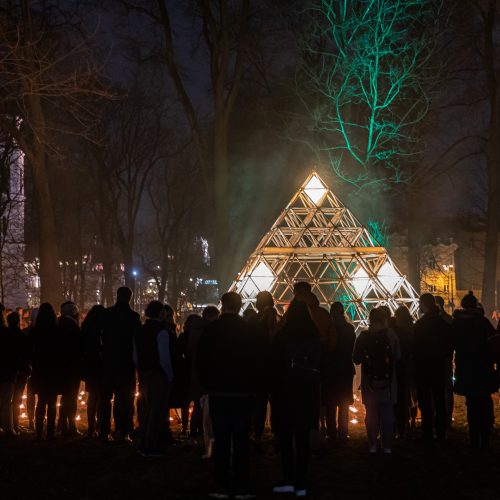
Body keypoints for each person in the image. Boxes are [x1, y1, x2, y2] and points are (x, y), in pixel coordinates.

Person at [197, 292, 262, 499]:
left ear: (223, 306)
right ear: (240, 305)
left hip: (219, 393)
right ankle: (243, 485)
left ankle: (221, 485)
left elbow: (201, 361)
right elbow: (257, 361)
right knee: (242, 440)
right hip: (243, 394)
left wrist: (208, 386)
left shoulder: (211, 330)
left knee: (222, 440)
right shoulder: (250, 331)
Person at [271, 300, 321, 497]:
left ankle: (289, 480)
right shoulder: (314, 336)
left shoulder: (282, 337)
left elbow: (273, 366)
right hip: (307, 394)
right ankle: (301, 482)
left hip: (285, 394)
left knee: (285, 440)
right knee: (302, 440)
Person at [353, 307, 401, 454]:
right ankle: (387, 446)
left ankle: (372, 445)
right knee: (387, 413)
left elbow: (356, 359)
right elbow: (398, 356)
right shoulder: (391, 335)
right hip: (388, 382)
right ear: (384, 320)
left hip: (369, 382)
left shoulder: (363, 336)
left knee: (371, 413)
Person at [453, 291, 497, 447]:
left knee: (471, 403)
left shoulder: (457, 323)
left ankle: (474, 437)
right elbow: (493, 343)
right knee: (485, 400)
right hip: (483, 368)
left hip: (466, 369)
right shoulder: (483, 322)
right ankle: (485, 435)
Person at [99, 287, 142, 442]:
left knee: (105, 398)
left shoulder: (106, 314)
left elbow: (100, 336)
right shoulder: (133, 317)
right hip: (126, 364)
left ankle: (104, 430)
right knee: (124, 399)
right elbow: (138, 341)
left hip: (108, 362)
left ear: (117, 296)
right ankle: (123, 430)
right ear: (130, 297)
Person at [134, 300, 173, 457]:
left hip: (143, 374)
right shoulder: (162, 332)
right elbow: (164, 357)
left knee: (145, 409)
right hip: (158, 374)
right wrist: (169, 375)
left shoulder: (140, 330)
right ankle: (151, 446)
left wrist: (140, 370)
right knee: (156, 411)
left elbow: (135, 355)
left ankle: (143, 442)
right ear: (161, 313)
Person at [413, 293, 453, 443]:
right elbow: (449, 345)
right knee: (439, 400)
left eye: (420, 304)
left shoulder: (420, 325)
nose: (418, 306)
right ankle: (441, 432)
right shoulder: (443, 324)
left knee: (425, 402)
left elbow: (415, 348)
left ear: (424, 304)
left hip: (424, 368)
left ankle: (428, 432)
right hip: (438, 366)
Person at [323, 302, 356, 441]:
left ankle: (331, 432)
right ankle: (343, 432)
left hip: (331, 370)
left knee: (331, 403)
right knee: (343, 403)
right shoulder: (349, 329)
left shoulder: (329, 329)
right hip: (346, 369)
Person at [31, 303, 62, 440]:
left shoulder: (35, 331)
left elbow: (30, 350)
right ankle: (50, 431)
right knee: (52, 402)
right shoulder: (57, 331)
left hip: (39, 369)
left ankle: (38, 431)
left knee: (41, 401)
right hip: (54, 370)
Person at [178, 314, 205, 439]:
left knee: (186, 403)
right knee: (198, 404)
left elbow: (178, 353)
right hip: (197, 373)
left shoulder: (184, 337)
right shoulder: (202, 336)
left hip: (185, 372)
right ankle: (196, 429)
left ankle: (185, 428)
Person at [58, 301, 83, 436]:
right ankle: (71, 426)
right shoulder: (73, 326)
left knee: (64, 397)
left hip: (61, 367)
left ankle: (62, 424)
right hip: (72, 368)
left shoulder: (58, 324)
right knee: (71, 397)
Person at [392, 306, 417, 438]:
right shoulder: (413, 327)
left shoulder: (399, 331)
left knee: (405, 395)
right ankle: (412, 419)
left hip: (404, 366)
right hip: (412, 365)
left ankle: (405, 421)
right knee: (412, 394)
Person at [81, 305, 105, 438]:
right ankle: (99, 425)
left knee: (92, 397)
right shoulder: (100, 330)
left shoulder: (86, 328)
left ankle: (91, 426)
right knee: (101, 398)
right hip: (100, 366)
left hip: (90, 367)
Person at [200, 305, 219, 459]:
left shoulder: (204, 332)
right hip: (220, 383)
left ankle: (209, 450)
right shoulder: (223, 333)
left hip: (209, 384)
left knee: (208, 421)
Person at [9, 311, 32, 433]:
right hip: (20, 371)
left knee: (7, 399)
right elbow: (27, 354)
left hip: (8, 372)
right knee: (17, 398)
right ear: (18, 322)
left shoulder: (5, 335)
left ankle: (9, 424)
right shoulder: (21, 336)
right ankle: (15, 424)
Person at [0, 305, 18, 436]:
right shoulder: (6, 333)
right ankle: (8, 428)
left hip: (6, 371)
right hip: (6, 372)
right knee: (6, 402)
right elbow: (12, 354)